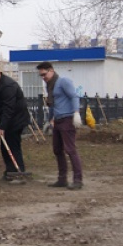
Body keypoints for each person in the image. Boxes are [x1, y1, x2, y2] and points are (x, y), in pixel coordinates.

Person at [37, 61, 84, 190]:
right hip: (57, 121)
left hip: (68, 119)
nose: (43, 77)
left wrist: (76, 113)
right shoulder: (50, 86)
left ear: (51, 70)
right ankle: (62, 179)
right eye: (41, 75)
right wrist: (49, 120)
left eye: (44, 74)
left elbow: (74, 97)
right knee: (57, 150)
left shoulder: (63, 81)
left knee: (70, 150)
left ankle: (78, 180)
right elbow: (52, 104)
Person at [0, 65, 31, 179]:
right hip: (6, 120)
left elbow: (8, 108)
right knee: (5, 147)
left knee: (13, 145)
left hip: (15, 120)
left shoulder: (8, 86)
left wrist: (2, 127)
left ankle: (18, 170)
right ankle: (10, 170)